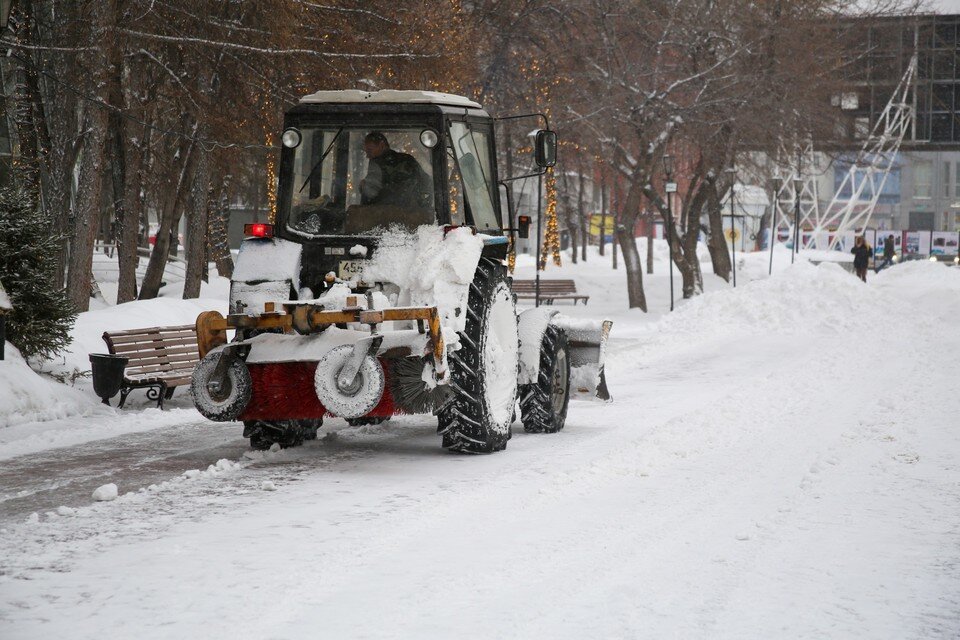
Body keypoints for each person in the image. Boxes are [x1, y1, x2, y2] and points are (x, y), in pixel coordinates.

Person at [359, 132, 430, 209]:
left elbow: (374, 193)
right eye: (366, 151)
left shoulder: (405, 162)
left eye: (369, 150)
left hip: (394, 214)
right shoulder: (407, 159)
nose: (367, 155)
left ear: (382, 145)